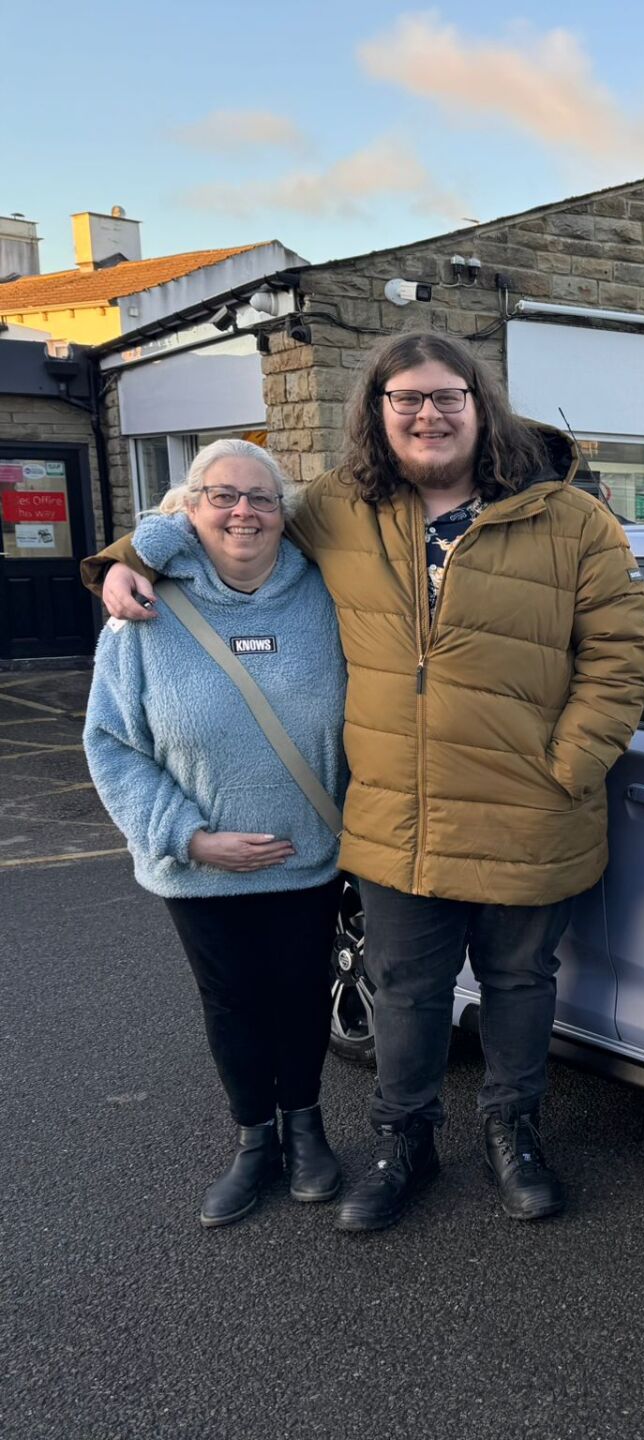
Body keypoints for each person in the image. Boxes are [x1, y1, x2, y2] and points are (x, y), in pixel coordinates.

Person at [90, 333, 644, 1232]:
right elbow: (229, 504)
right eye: (405, 400)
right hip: (397, 817)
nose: (427, 415)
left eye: (446, 398)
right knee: (404, 990)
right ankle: (405, 1141)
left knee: (519, 984)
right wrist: (134, 552)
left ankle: (515, 1133)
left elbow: (623, 656)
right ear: (378, 415)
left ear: (481, 406)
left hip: (533, 810)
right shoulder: (341, 508)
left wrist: (568, 767)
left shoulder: (573, 519)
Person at [83, 440, 348, 1228]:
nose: (243, 512)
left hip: (308, 854)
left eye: (261, 498)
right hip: (198, 867)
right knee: (231, 1001)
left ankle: (307, 1131)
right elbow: (110, 743)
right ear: (187, 510)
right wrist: (189, 838)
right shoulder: (142, 611)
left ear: (283, 511)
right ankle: (254, 1142)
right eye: (222, 497)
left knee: (302, 996)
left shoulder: (325, 594)